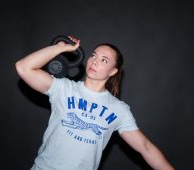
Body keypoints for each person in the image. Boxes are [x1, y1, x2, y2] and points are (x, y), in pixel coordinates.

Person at [15, 36, 174, 170]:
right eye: (93, 55)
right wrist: (60, 48)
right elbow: (23, 68)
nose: (95, 61)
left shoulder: (119, 109)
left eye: (104, 60)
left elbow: (146, 147)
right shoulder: (63, 88)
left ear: (113, 71)